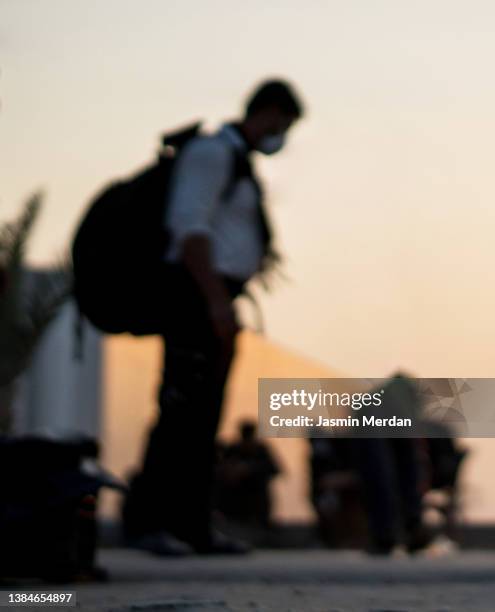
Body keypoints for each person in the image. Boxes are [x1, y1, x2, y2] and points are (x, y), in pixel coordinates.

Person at [122, 79, 304, 555]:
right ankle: (149, 522)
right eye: (281, 126)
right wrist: (214, 303)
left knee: (203, 416)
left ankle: (191, 524)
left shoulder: (239, 162)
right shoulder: (211, 153)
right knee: (180, 409)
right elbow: (190, 229)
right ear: (267, 113)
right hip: (194, 294)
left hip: (214, 296)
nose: (280, 137)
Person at [215, 421, 280, 527]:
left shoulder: (260, 450)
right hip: (235, 499)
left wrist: (251, 469)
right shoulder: (234, 449)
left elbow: (274, 469)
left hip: (256, 500)